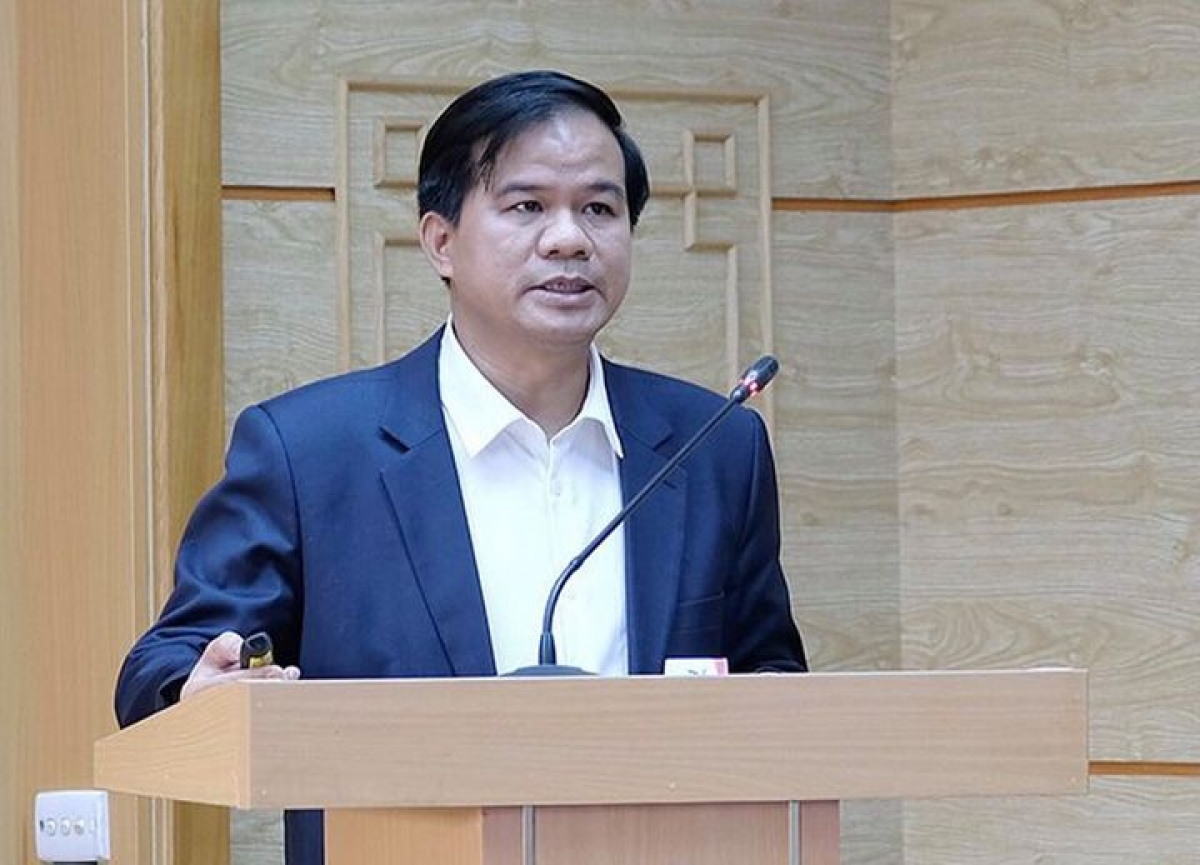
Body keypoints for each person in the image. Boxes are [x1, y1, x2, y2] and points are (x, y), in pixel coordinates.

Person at [115, 69, 806, 865]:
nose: (569, 239)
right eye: (527, 206)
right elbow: (165, 662)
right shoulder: (311, 450)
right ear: (440, 241)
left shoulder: (713, 445)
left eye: (599, 209)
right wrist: (200, 688)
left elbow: (771, 680)